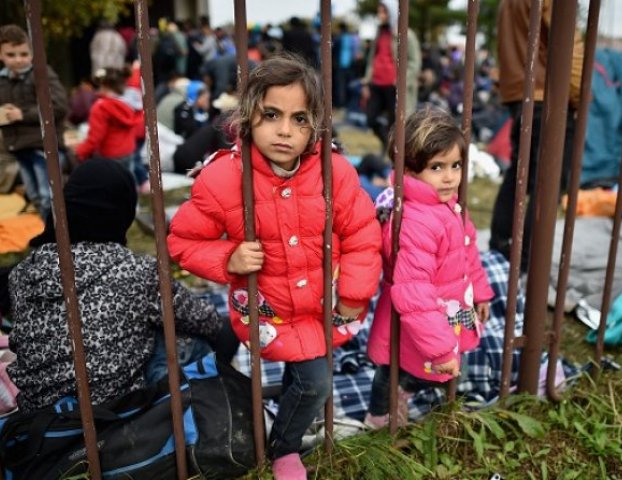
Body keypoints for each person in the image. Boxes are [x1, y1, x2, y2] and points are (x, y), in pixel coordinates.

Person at [167, 54, 382, 480]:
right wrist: (228, 260)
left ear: (316, 125)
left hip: (321, 302)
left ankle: (283, 444)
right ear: (248, 116)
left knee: (312, 381)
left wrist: (355, 293)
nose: (285, 131)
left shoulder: (335, 172)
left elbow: (362, 233)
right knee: (298, 372)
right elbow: (184, 240)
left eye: (299, 119)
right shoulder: (222, 179)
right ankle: (264, 423)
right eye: (272, 115)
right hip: (267, 307)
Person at [7, 159, 231, 413]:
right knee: (189, 333)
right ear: (121, 211)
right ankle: (209, 415)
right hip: (113, 415)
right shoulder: (135, 270)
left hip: (43, 418)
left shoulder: (22, 273)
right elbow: (207, 321)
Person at [365, 107, 494, 428]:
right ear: (409, 170)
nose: (450, 177)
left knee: (425, 371)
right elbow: (413, 290)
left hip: (446, 307)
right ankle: (379, 417)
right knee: (393, 367)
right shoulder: (415, 221)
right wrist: (439, 350)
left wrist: (480, 292)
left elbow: (468, 252)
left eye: (456, 165)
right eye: (437, 167)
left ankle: (404, 391)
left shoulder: (448, 205)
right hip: (415, 314)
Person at [489, 0, 583, 272]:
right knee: (548, 183)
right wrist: (576, 95)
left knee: (520, 174)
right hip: (547, 92)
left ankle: (500, 248)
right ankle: (530, 262)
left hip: (520, 90)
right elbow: (568, 45)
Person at [0, 24, 68, 221]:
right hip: (19, 146)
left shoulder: (41, 74)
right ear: (1, 55)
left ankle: (60, 240)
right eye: (11, 55)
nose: (18, 59)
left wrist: (23, 114)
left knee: (50, 197)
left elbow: (59, 106)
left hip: (42, 146)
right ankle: (49, 238)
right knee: (36, 196)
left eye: (23, 53)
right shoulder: (2, 81)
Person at [361, 1, 421, 153]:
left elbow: (415, 61)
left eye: (384, 11)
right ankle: (386, 144)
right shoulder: (379, 33)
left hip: (395, 86)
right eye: (379, 11)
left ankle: (393, 154)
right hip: (377, 84)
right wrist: (367, 81)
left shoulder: (407, 34)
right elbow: (372, 58)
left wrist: (402, 80)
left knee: (396, 123)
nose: (380, 15)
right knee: (371, 119)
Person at [74, 67, 143, 174]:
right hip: (128, 152)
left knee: (110, 187)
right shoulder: (131, 104)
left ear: (103, 85)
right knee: (126, 183)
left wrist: (80, 152)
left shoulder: (100, 107)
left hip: (109, 155)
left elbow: (95, 137)